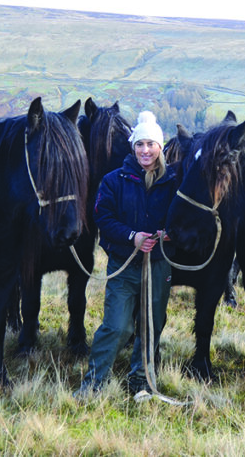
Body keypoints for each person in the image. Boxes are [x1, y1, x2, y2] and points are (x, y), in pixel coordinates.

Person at [76, 110, 178, 397]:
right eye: (140, 144)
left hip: (158, 266)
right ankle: (93, 385)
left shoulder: (173, 181)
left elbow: (184, 217)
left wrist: (171, 233)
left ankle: (140, 382)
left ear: (160, 146)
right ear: (133, 147)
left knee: (152, 325)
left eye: (151, 144)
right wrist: (132, 237)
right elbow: (103, 218)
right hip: (124, 264)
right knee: (117, 326)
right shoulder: (113, 180)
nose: (145, 151)